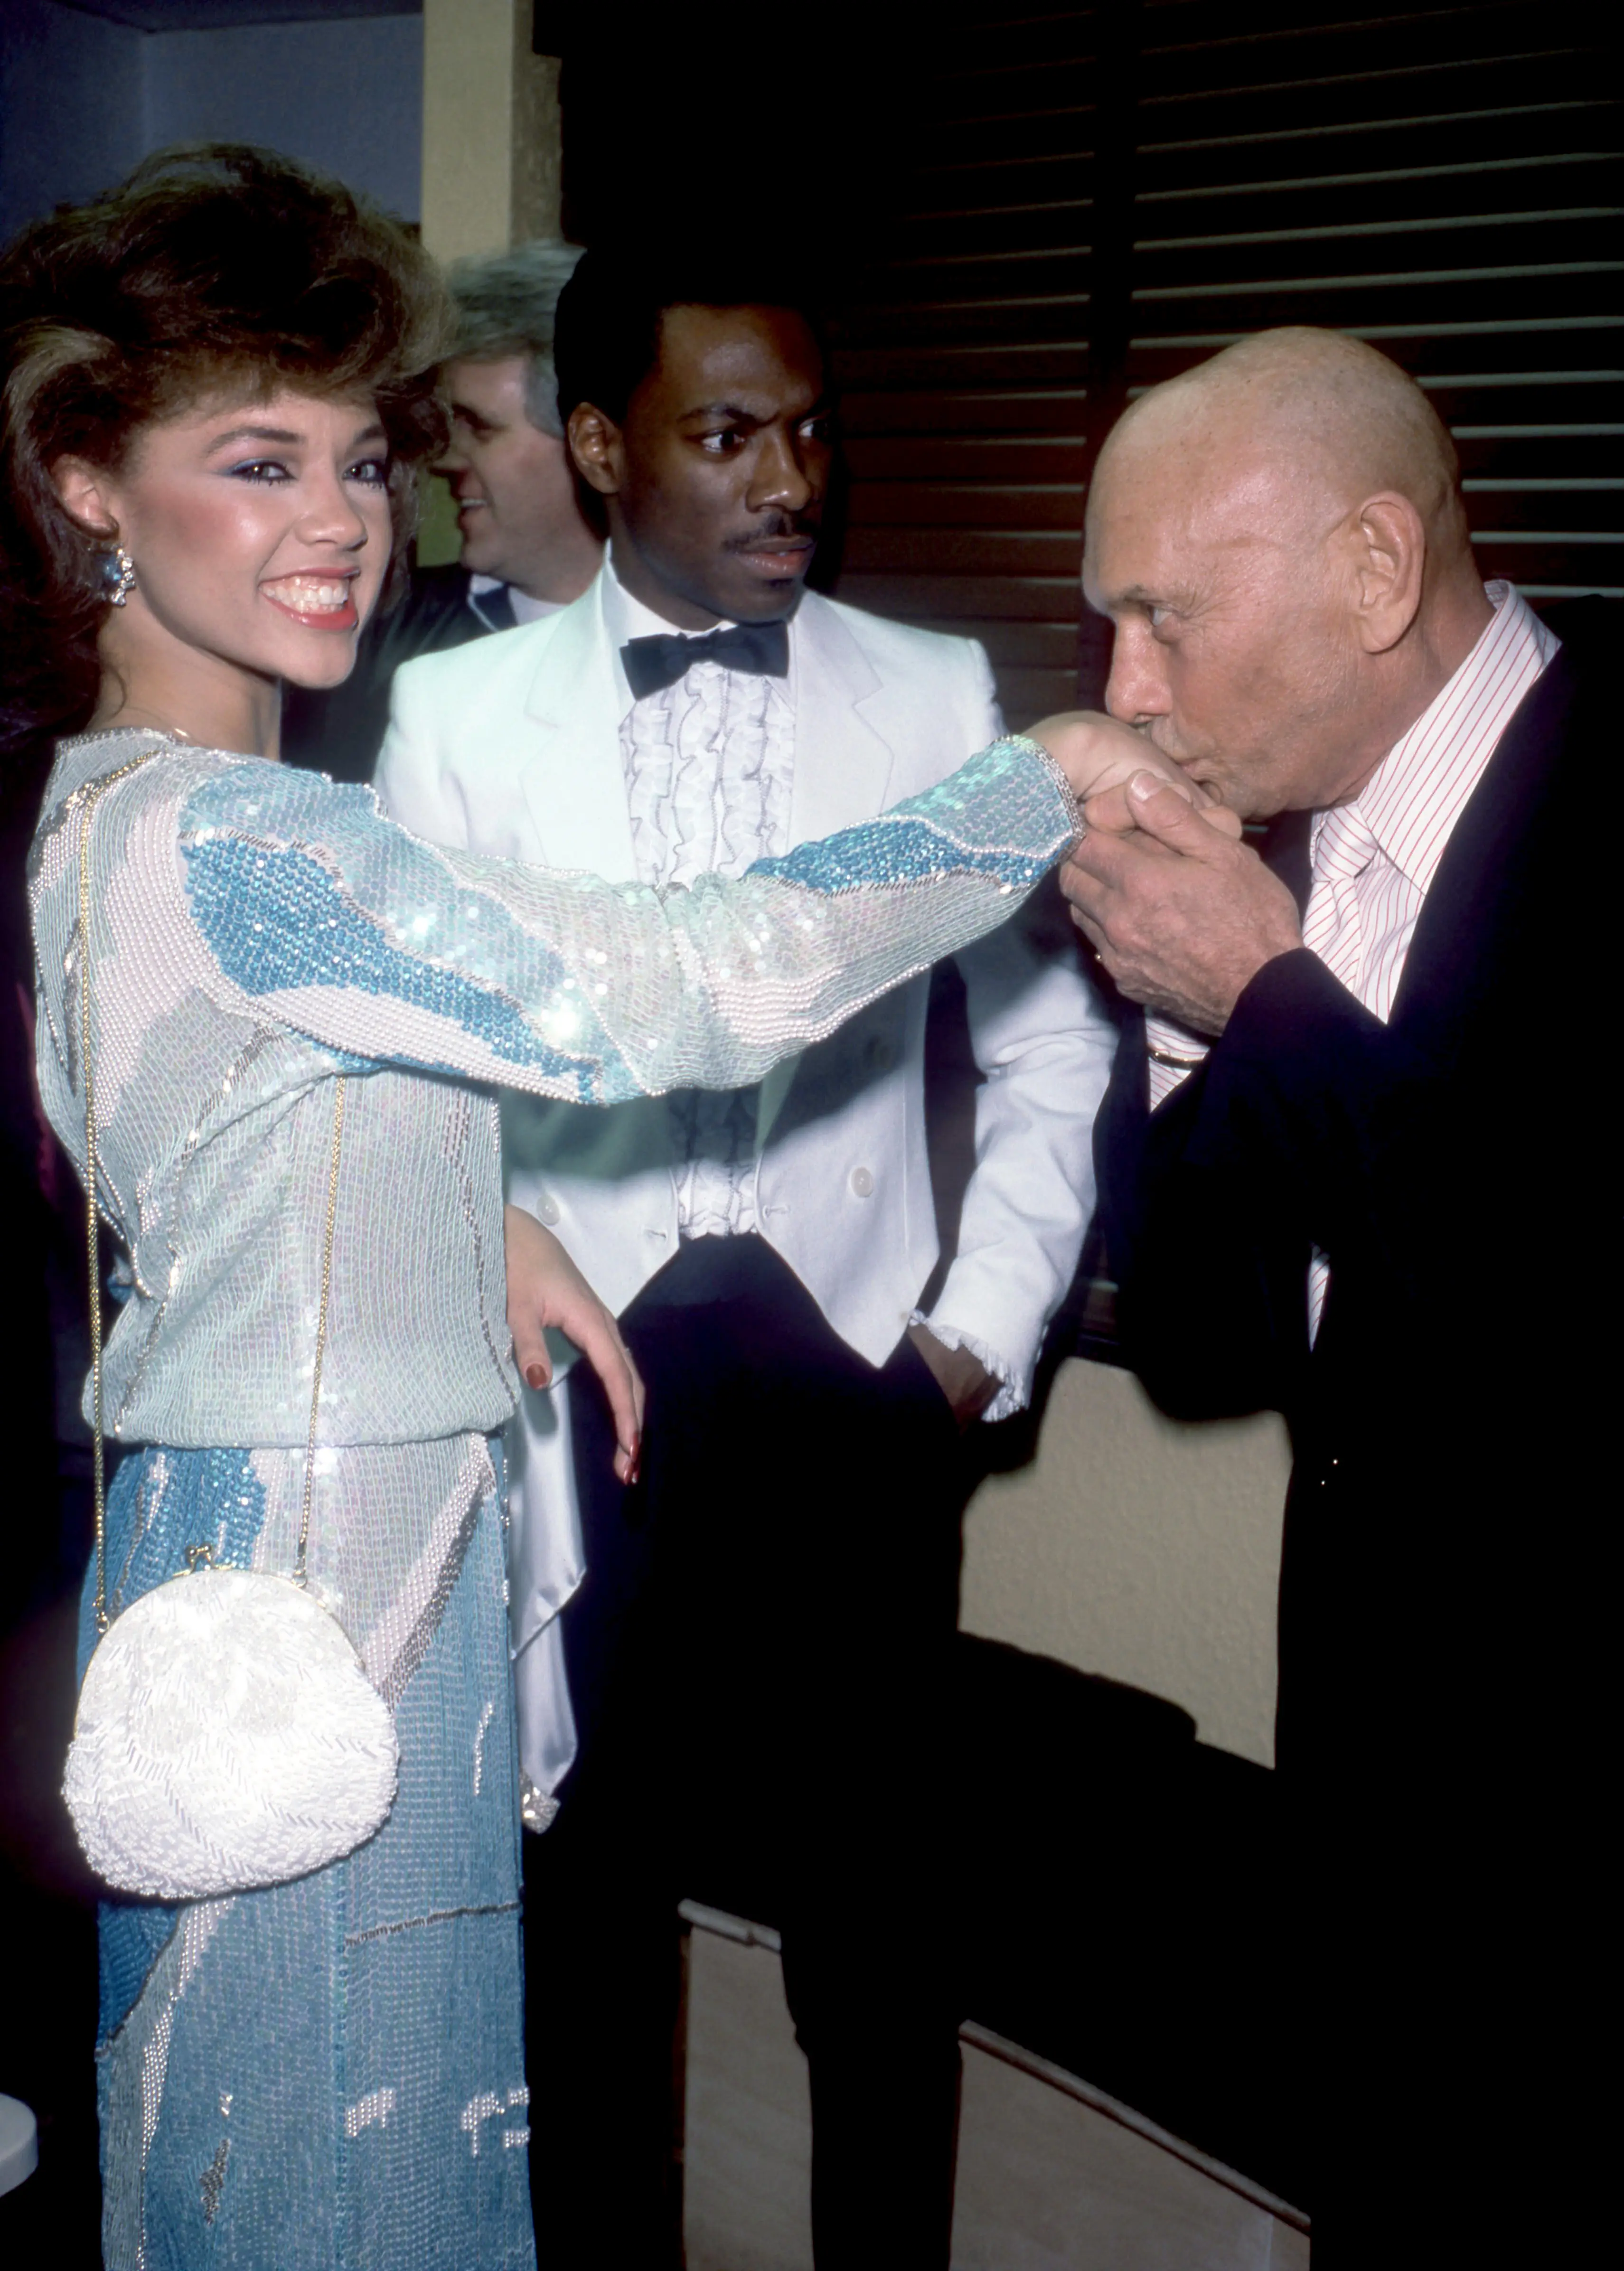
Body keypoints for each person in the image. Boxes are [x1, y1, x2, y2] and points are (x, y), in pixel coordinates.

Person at [1, 145, 1158, 2271]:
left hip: (271, 1541)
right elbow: (662, 991)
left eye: (362, 459)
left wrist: (488, 1225)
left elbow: (256, 1130)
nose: (341, 521)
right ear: (89, 485)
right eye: (256, 462)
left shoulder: (106, 804)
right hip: (329, 1609)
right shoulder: (256, 841)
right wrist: (1034, 786)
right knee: (344, 2179)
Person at [375, 241, 1117, 2266]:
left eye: (808, 429)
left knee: (880, 1949)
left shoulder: (942, 700)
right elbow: (414, 1075)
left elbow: (1056, 1049)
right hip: (575, 1389)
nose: (789, 476)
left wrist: (971, 1339)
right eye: (725, 435)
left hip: (853, 1386)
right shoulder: (452, 721)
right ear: (603, 447)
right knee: (583, 1916)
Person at [1063, 326, 1607, 2263]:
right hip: (1382, 1799)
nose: (1126, 688)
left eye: (1162, 616)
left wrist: (1262, 1001)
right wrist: (1187, 1013)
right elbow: (1209, 1329)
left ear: (1377, 572)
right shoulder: (1307, 851)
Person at [282, 239, 602, 781]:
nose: (445, 460)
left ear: (591, 441)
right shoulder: (362, 641)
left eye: (479, 426)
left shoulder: (722, 637)